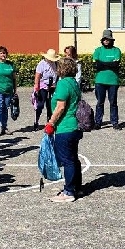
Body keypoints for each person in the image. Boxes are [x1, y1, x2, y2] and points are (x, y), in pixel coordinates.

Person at [44, 57, 82, 202]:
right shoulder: (74, 83)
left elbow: (60, 107)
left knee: (68, 160)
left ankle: (69, 192)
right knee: (73, 159)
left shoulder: (63, 84)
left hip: (65, 127)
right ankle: (77, 187)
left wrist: (51, 123)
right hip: (74, 126)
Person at [93, 29, 122, 130]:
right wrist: (110, 64)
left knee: (113, 102)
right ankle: (98, 122)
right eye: (104, 39)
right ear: (102, 40)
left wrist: (103, 63)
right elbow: (96, 65)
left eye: (108, 39)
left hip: (113, 81)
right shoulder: (98, 50)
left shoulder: (116, 50)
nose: (106, 40)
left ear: (111, 40)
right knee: (100, 102)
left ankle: (115, 122)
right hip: (100, 81)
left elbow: (116, 65)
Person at [33, 49, 60, 131]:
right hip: (43, 86)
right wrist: (36, 87)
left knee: (50, 105)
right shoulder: (42, 64)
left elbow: (58, 74)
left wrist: (56, 84)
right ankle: (36, 121)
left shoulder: (56, 63)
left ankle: (50, 122)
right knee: (40, 105)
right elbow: (37, 76)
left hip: (53, 86)